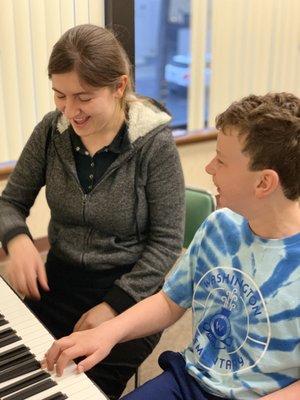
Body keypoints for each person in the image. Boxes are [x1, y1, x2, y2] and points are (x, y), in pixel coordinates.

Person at [44, 92, 300, 399]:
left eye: (220, 159)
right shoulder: (219, 228)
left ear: (263, 183)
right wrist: (107, 333)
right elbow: (169, 302)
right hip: (189, 381)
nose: (208, 167)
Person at [0, 24, 185, 399]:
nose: (70, 110)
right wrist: (17, 237)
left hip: (132, 292)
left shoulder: (154, 147)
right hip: (59, 281)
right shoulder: (52, 132)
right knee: (20, 370)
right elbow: (10, 202)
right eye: (60, 96)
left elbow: (167, 243)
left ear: (119, 86)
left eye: (83, 97)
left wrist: (114, 306)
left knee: (78, 387)